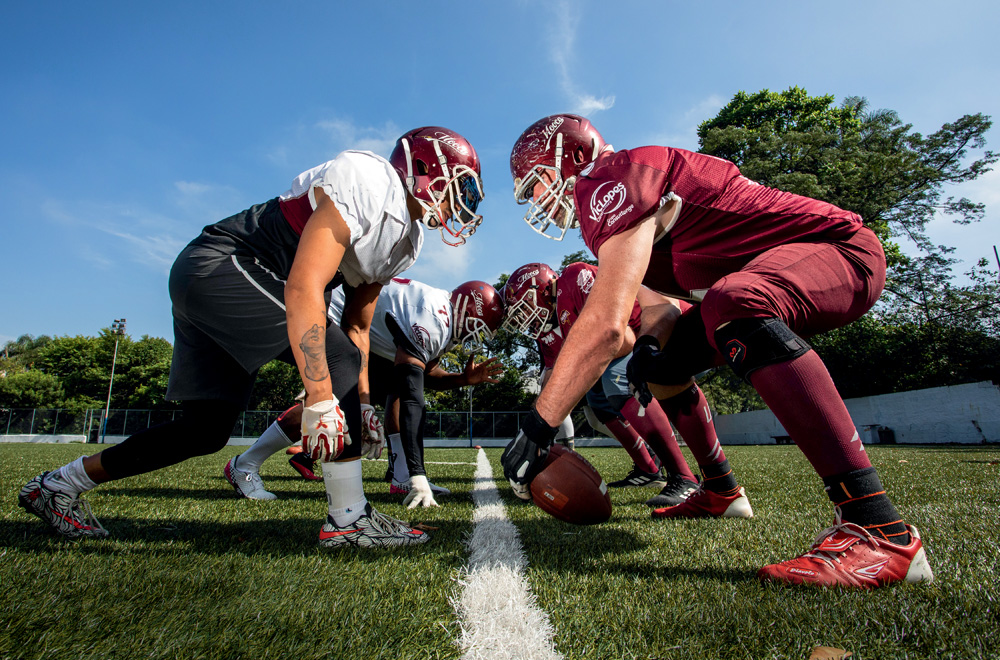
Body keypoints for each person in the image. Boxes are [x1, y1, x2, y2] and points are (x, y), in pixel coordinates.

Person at [501, 113, 933, 587]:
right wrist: (647, 348)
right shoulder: (616, 204)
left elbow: (604, 325)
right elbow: (661, 311)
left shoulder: (608, 177)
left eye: (537, 182)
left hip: (838, 248)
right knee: (666, 363)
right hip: (771, 274)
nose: (538, 200)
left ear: (577, 156)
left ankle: (878, 527)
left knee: (735, 301)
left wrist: (538, 427)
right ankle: (721, 490)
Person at [19, 127, 485, 549]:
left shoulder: (406, 242)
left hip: (229, 284)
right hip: (222, 265)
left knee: (205, 430)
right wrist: (322, 397)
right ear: (425, 168)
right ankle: (348, 519)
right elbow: (304, 286)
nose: (463, 201)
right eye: (462, 186)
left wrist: (362, 405)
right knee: (334, 360)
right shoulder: (369, 178)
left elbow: (359, 327)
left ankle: (60, 484)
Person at [224, 277, 505, 508]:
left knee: (395, 385)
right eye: (476, 329)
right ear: (466, 311)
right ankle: (245, 464)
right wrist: (421, 474)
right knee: (338, 401)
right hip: (333, 316)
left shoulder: (445, 317)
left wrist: (463, 379)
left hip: (363, 334)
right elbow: (412, 398)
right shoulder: (433, 320)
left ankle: (402, 476)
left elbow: (424, 375)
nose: (475, 338)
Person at [502, 261, 712, 508]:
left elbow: (621, 339)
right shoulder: (547, 332)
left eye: (525, 306)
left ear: (544, 289)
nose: (525, 317)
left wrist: (579, 364)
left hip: (662, 331)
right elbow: (554, 380)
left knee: (617, 380)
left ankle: (683, 476)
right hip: (627, 347)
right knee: (597, 403)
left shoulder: (575, 278)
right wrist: (533, 432)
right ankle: (649, 468)